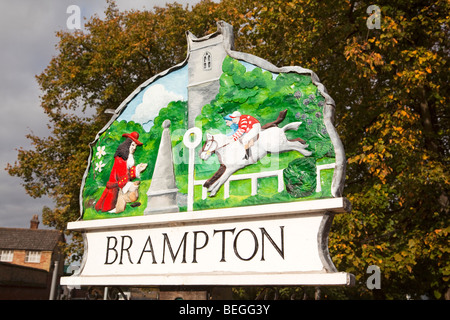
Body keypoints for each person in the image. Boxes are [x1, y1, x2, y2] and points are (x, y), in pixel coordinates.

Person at [95, 132, 147, 213]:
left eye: (135, 146)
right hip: (116, 188)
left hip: (122, 184)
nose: (134, 148)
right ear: (127, 145)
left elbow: (127, 173)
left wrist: (138, 168)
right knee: (123, 203)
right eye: (133, 145)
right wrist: (136, 170)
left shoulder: (128, 158)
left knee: (134, 193)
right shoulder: (120, 159)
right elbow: (123, 176)